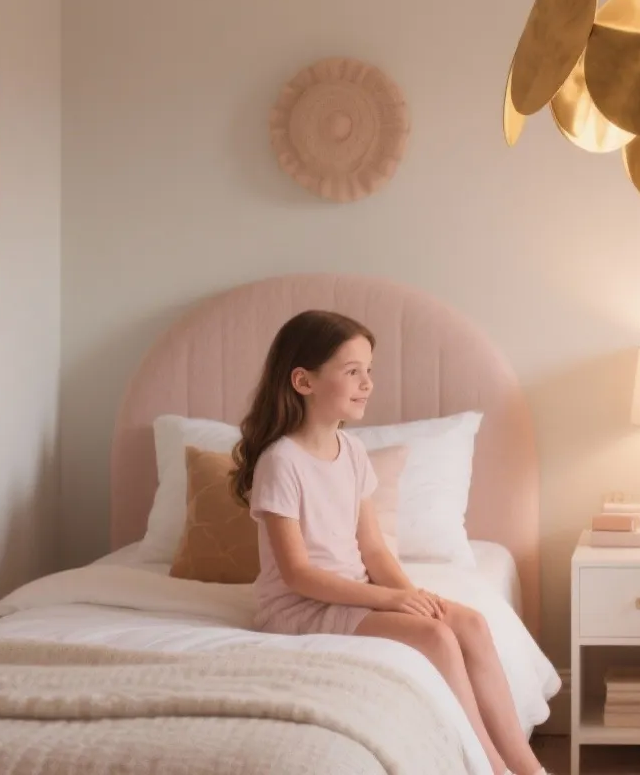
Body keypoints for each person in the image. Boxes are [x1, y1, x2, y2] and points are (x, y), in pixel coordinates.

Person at [232, 309, 546, 775]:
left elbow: (373, 549)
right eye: (352, 371)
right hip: (298, 606)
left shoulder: (353, 452)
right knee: (436, 636)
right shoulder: (282, 462)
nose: (367, 383)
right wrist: (390, 599)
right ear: (304, 380)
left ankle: (529, 769)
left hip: (353, 593)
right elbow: (298, 573)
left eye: (369, 371)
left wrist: (411, 596)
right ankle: (490, 768)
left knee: (471, 623)